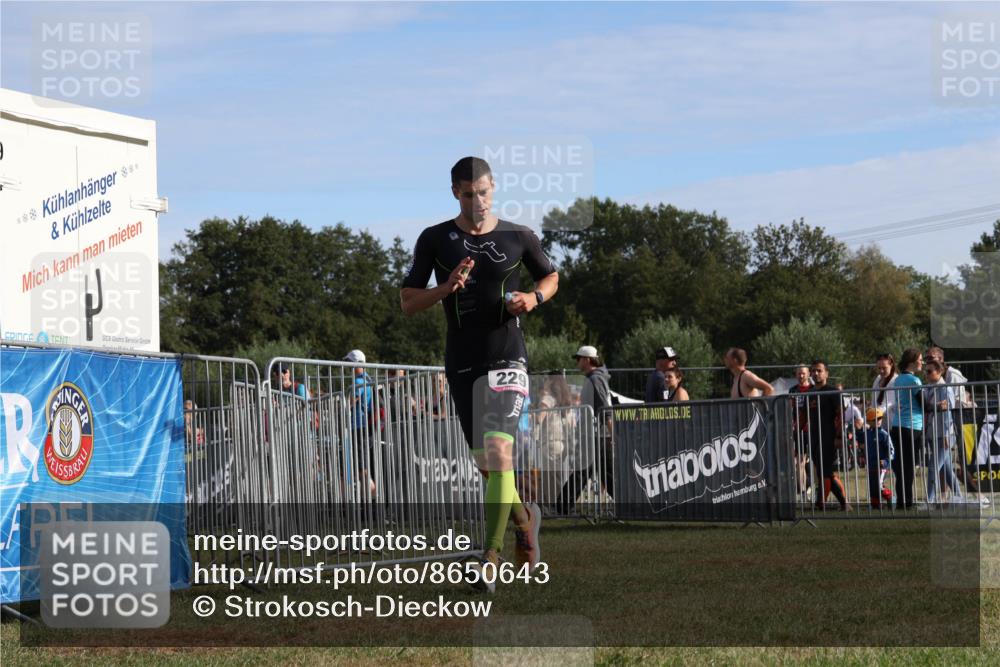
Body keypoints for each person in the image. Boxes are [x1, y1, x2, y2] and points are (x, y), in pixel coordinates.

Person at [399, 156, 558, 586]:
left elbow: (551, 277)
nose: (478, 201)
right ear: (456, 193)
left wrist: (533, 299)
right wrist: (446, 287)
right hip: (462, 359)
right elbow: (408, 302)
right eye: (469, 195)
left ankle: (491, 556)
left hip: (507, 352)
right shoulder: (435, 239)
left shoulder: (518, 235)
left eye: (484, 192)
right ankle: (526, 521)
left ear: (494, 188)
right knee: (487, 466)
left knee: (499, 450)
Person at [557, 346, 614, 514]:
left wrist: (613, 433)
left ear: (587, 360)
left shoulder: (595, 380)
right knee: (605, 474)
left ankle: (562, 507)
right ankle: (630, 505)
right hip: (596, 435)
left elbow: (604, 408)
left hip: (596, 436)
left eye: (579, 358)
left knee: (587, 472)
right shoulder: (595, 378)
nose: (577, 362)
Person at [807, 360, 850, 511]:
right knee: (823, 471)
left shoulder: (832, 391)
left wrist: (838, 437)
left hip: (829, 436)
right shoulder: (810, 393)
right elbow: (805, 416)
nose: (815, 373)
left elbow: (840, 415)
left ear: (826, 373)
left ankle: (821, 502)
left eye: (819, 370)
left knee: (825, 470)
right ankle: (844, 504)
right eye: (813, 371)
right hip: (814, 437)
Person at [889, 348, 924, 510]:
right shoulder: (914, 381)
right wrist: (940, 405)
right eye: (920, 359)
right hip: (912, 426)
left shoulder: (898, 380)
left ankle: (902, 501)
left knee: (899, 466)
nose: (922, 362)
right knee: (909, 466)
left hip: (897, 425)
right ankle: (907, 502)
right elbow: (924, 404)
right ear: (912, 361)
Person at [924, 360, 962, 504]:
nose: (926, 375)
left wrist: (946, 434)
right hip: (932, 432)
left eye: (929, 371)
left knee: (934, 467)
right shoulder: (928, 387)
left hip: (945, 434)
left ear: (939, 372)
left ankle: (930, 500)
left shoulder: (945, 388)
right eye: (925, 371)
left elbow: (948, 414)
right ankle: (958, 496)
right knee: (946, 469)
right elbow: (927, 406)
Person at [345, 349, 378, 499]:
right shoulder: (368, 380)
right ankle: (371, 502)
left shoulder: (358, 382)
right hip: (364, 426)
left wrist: (344, 403)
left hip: (358, 427)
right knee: (362, 468)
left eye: (349, 363)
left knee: (362, 468)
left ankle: (374, 501)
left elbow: (351, 402)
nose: (347, 367)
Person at [857, 407, 894, 508]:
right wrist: (859, 427)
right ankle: (875, 504)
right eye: (874, 419)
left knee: (879, 484)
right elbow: (859, 437)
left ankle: (889, 496)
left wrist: (886, 462)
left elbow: (891, 450)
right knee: (872, 486)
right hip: (871, 465)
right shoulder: (868, 433)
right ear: (869, 421)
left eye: (879, 418)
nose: (878, 421)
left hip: (881, 467)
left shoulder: (884, 434)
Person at [787, 364, 812, 502]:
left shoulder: (813, 389)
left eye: (803, 373)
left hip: (812, 430)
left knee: (813, 463)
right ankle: (802, 492)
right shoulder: (793, 390)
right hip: (798, 431)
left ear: (808, 374)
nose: (801, 376)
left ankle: (814, 490)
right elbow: (789, 409)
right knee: (798, 462)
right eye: (798, 373)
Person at [871, 353, 898, 429]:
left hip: (891, 424)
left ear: (891, 365)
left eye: (884, 368)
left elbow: (888, 404)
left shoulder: (895, 380)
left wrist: (874, 414)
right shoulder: (878, 379)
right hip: (878, 423)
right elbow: (873, 401)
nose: (881, 371)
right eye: (879, 368)